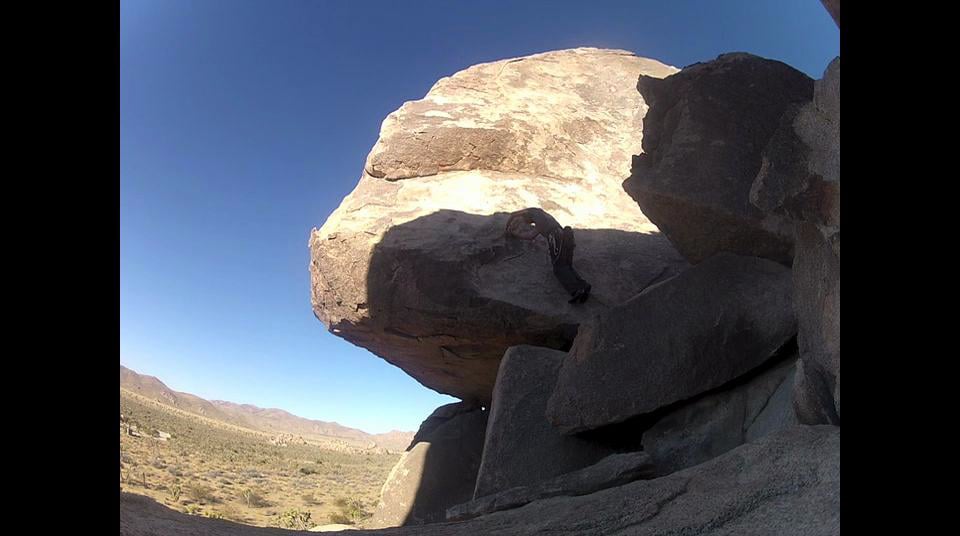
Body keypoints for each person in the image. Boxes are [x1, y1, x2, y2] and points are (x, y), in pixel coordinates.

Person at [505, 207, 591, 304]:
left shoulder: (537, 218)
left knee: (559, 268)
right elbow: (515, 214)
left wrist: (514, 234)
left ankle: (576, 291)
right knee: (566, 266)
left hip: (557, 238)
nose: (528, 223)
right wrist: (511, 223)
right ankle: (583, 285)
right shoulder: (538, 212)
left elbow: (531, 235)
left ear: (527, 216)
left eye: (526, 221)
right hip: (567, 236)